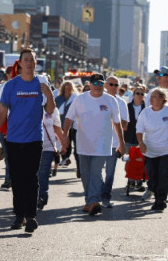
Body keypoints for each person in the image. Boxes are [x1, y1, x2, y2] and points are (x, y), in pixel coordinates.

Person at [0, 48, 55, 233]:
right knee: (16, 178)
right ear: (20, 63)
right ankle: (19, 215)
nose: (29, 63)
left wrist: (49, 93)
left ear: (35, 62)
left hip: (34, 139)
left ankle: (31, 216)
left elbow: (50, 110)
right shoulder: (11, 86)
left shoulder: (41, 84)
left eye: (32, 59)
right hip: (13, 139)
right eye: (26, 60)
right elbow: (1, 113)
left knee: (31, 178)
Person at [63, 73, 125, 217]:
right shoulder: (80, 99)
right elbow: (68, 119)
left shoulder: (111, 100)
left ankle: (93, 201)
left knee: (96, 174)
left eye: (100, 84)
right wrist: (64, 137)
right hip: (83, 144)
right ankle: (89, 201)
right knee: (85, 174)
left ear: (104, 85)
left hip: (103, 145)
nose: (98, 86)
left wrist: (121, 143)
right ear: (90, 85)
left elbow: (117, 123)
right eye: (95, 84)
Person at [101, 76, 129, 208]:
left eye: (115, 85)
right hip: (98, 142)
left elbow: (125, 125)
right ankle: (98, 192)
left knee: (110, 172)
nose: (113, 87)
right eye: (111, 84)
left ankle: (105, 196)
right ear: (105, 85)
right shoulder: (98, 99)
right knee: (95, 171)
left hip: (113, 143)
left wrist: (115, 120)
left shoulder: (122, 103)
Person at [37, 107, 67, 210]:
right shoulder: (25, 103)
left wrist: (63, 144)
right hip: (28, 145)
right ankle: (28, 199)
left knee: (43, 174)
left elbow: (57, 128)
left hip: (47, 147)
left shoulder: (53, 109)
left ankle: (41, 197)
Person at [125, 86, 147, 192]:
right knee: (129, 159)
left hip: (141, 138)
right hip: (128, 137)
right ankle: (130, 181)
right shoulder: (127, 106)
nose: (139, 96)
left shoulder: (147, 108)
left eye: (142, 94)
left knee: (140, 159)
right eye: (137, 93)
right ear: (133, 95)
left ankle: (138, 182)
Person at [55, 81, 79, 175]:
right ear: (63, 88)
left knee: (76, 146)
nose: (68, 89)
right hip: (61, 123)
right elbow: (54, 109)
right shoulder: (58, 98)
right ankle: (65, 158)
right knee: (63, 142)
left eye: (69, 87)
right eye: (66, 87)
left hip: (74, 125)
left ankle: (79, 166)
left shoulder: (76, 98)